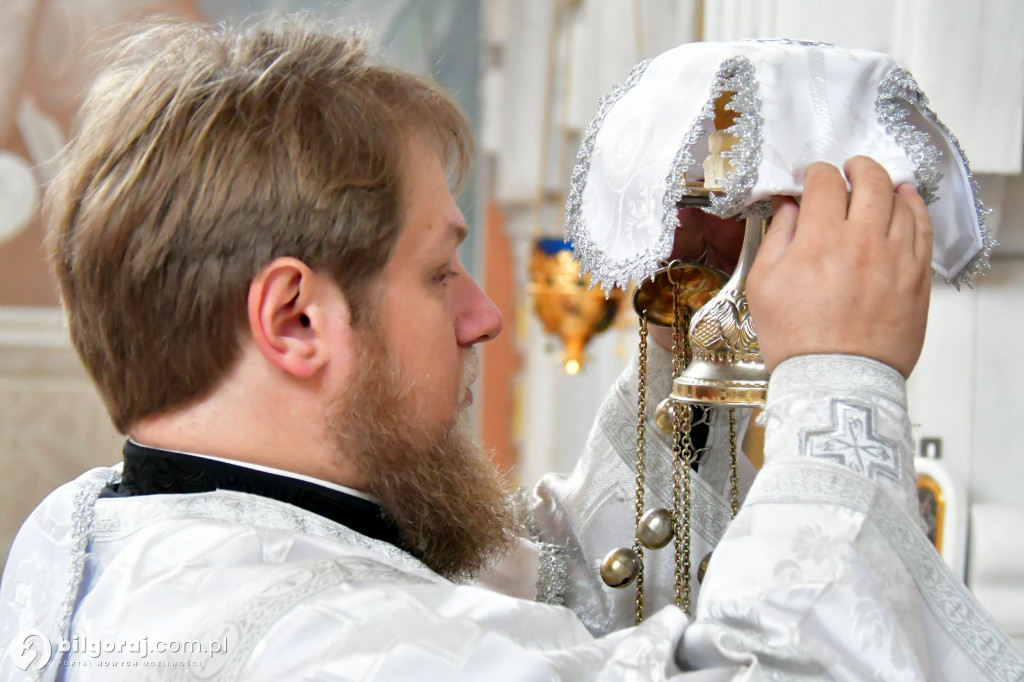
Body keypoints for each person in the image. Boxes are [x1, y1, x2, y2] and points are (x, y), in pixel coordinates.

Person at [1, 16, 1021, 681]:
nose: (485, 313)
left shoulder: (139, 537)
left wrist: (701, 323)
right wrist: (840, 379)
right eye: (441, 270)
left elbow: (545, 609)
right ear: (296, 320)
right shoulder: (313, 652)